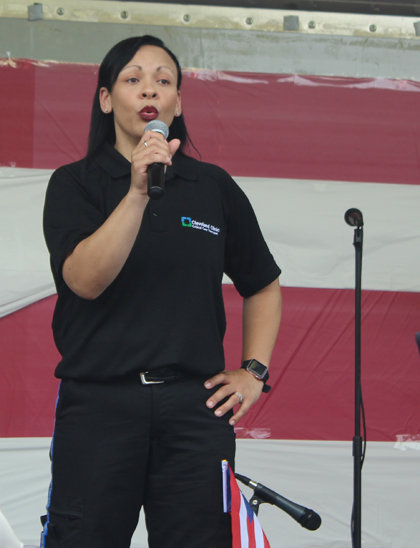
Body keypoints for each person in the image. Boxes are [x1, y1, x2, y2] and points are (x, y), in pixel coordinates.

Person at [41, 35, 282, 548]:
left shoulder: (212, 187)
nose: (149, 89)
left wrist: (253, 371)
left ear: (177, 102)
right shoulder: (75, 184)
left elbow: (261, 282)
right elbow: (84, 279)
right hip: (101, 404)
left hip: (194, 409)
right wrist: (135, 191)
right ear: (106, 99)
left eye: (164, 80)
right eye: (133, 79)